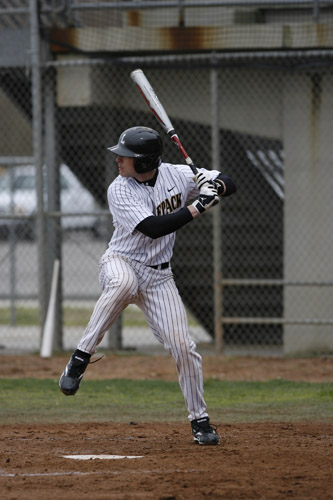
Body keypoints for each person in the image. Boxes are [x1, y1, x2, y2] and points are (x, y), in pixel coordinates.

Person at [59, 126, 236, 445]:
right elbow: (153, 228)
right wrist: (199, 206)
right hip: (121, 262)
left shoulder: (178, 175)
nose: (118, 160)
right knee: (124, 284)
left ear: (145, 162)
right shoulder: (120, 189)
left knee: (184, 347)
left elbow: (229, 182)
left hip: (159, 278)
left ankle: (200, 421)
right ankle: (81, 356)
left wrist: (213, 185)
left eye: (125, 157)